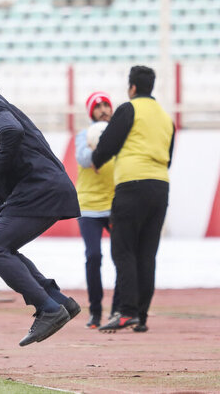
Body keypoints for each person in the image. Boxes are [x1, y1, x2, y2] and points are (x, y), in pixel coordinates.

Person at [0, 57, 81, 347]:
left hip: (40, 189)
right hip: (40, 188)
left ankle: (48, 308)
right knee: (2, 247)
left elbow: (11, 131)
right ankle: (58, 302)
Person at [91, 66, 175, 333]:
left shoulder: (129, 109)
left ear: (132, 88)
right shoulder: (165, 117)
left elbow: (109, 142)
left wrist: (97, 159)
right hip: (160, 187)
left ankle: (126, 312)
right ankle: (141, 315)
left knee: (123, 250)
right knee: (147, 253)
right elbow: (169, 154)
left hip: (131, 186)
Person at [75, 91, 120, 329]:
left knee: (121, 257)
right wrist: (102, 145)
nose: (103, 109)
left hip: (115, 205)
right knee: (93, 257)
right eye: (97, 106)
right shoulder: (84, 134)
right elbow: (84, 159)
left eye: (106, 105)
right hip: (89, 206)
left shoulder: (122, 135)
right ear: (91, 112)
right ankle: (95, 312)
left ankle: (118, 311)